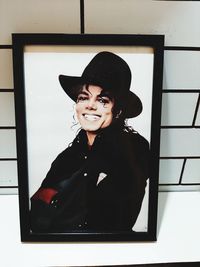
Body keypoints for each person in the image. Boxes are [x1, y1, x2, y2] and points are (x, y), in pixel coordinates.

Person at [30, 51, 150, 233]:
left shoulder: (135, 147)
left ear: (118, 110)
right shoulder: (67, 157)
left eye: (102, 100)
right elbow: (37, 211)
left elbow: (117, 215)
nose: (90, 105)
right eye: (84, 97)